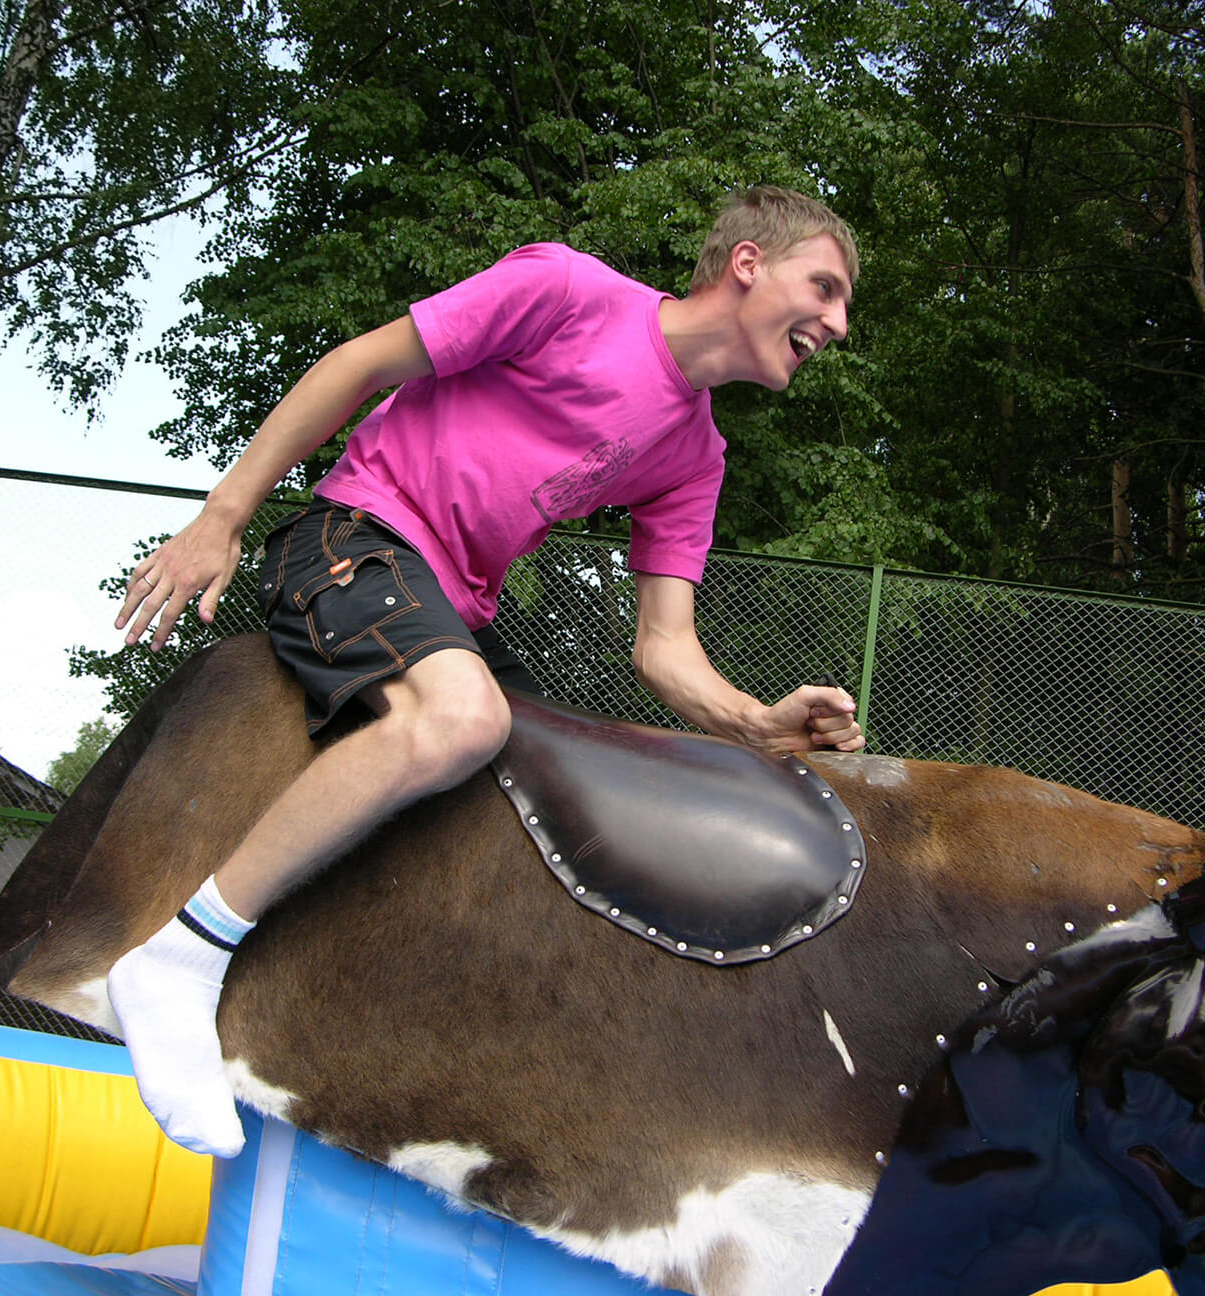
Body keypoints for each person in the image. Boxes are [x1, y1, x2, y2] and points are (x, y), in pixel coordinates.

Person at [107, 185, 866, 1158]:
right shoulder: (571, 293)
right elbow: (359, 364)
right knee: (466, 718)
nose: (838, 324)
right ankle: (180, 955)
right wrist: (223, 517)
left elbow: (663, 647)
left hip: (451, 604)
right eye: (827, 287)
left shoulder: (695, 455)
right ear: (748, 264)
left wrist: (758, 725)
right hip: (354, 534)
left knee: (553, 800)